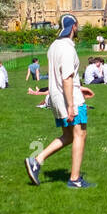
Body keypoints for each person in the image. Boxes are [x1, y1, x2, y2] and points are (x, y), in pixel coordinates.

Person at [24, 14, 95, 188]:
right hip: (68, 97)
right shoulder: (68, 48)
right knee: (80, 134)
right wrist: (71, 104)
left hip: (56, 97)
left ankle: (37, 160)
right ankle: (75, 179)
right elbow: (67, 78)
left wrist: (78, 88)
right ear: (73, 27)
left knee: (69, 135)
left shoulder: (54, 47)